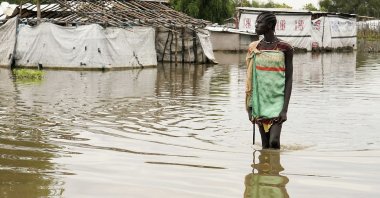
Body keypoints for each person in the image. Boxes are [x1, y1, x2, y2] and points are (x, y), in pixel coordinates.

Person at [245, 11, 293, 149]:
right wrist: (250, 108)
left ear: (270, 25)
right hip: (260, 101)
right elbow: (250, 78)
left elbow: (289, 80)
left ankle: (276, 170)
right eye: (256, 22)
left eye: (260, 22)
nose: (256, 25)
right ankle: (265, 169)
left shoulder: (285, 48)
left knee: (274, 142)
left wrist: (285, 110)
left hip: (277, 100)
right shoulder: (255, 48)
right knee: (265, 145)